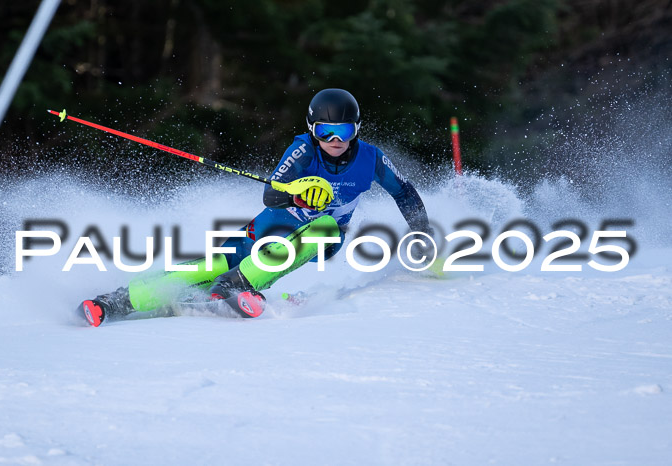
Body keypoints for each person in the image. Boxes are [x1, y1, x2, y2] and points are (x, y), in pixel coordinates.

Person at [78, 88, 431, 326]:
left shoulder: (372, 159)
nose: (335, 141)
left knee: (324, 229)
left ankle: (235, 284)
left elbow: (404, 191)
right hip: (271, 225)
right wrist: (296, 193)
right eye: (325, 131)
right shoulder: (302, 150)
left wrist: (421, 230)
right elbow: (271, 196)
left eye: (343, 131)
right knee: (211, 264)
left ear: (357, 129)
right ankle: (116, 301)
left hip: (319, 235)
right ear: (312, 129)